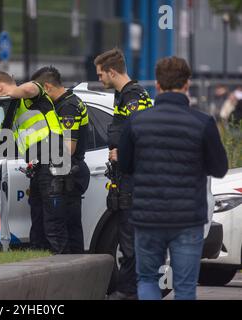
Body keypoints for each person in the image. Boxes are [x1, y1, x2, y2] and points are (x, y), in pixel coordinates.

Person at [119, 56, 228, 300]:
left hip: (147, 217)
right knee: (185, 287)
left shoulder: (136, 122)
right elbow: (220, 168)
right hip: (188, 219)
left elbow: (125, 165)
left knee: (146, 280)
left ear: (157, 85)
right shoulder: (203, 123)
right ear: (187, 84)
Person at [0, 71, 69, 254]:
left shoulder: (29, 95)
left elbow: (31, 88)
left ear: (0, 86)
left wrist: (10, 92)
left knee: (53, 222)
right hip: (38, 166)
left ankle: (62, 262)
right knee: (38, 220)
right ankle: (42, 260)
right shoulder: (13, 110)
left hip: (52, 160)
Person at [93, 48, 153, 300]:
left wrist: (123, 154)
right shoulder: (122, 95)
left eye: (100, 74)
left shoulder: (133, 96)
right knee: (127, 239)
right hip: (126, 178)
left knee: (131, 242)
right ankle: (130, 290)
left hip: (135, 179)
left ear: (112, 71)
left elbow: (144, 135)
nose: (99, 79)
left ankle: (131, 292)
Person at [31, 66, 90, 254]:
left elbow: (68, 148)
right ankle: (78, 276)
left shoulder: (67, 107)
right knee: (71, 231)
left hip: (67, 174)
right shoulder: (69, 102)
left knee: (59, 231)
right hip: (69, 173)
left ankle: (70, 276)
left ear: (47, 87)